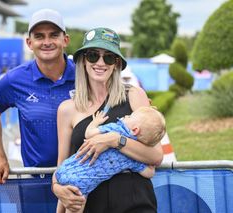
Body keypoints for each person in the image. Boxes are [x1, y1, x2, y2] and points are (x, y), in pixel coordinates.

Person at [52, 27, 164, 213]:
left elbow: (156, 156)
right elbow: (62, 166)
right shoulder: (67, 109)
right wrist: (57, 189)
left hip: (134, 200)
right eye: (93, 55)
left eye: (109, 57)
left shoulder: (134, 95)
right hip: (90, 203)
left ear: (116, 64)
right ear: (83, 61)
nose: (101, 63)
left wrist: (114, 140)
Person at [0, 8, 74, 184]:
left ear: (65, 40)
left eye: (53, 35)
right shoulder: (14, 79)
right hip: (36, 182)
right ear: (29, 43)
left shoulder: (84, 75)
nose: (47, 42)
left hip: (83, 181)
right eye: (39, 36)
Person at [55, 106, 166, 213]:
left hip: (68, 169)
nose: (126, 116)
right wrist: (150, 167)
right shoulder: (131, 156)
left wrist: (95, 122)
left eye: (130, 116)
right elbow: (148, 173)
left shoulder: (115, 128)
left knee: (65, 203)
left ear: (135, 129)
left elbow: (89, 134)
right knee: (75, 205)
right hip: (82, 184)